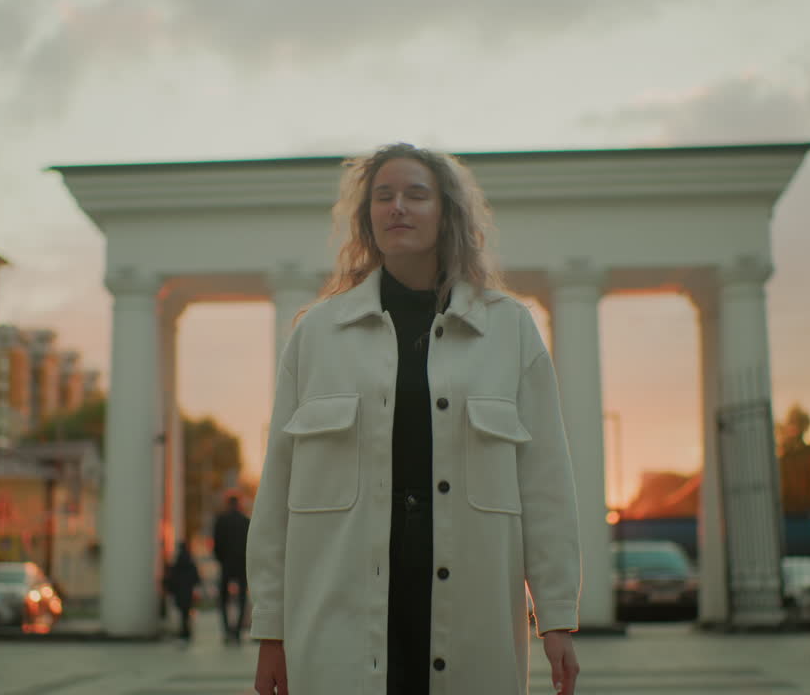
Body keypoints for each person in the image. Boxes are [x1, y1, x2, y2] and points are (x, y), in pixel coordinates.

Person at [247, 143, 582, 695]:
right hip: (340, 611)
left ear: (448, 213)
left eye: (415, 194)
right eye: (384, 196)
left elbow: (545, 483)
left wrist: (557, 615)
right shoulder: (316, 335)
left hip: (473, 608)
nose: (397, 206)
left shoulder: (509, 331)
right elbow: (277, 493)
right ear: (367, 217)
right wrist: (270, 632)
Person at [212, 493, 250, 644]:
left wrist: (221, 560)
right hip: (241, 564)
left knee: (223, 599)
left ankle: (227, 630)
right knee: (242, 599)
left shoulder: (221, 521)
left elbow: (217, 545)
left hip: (226, 564)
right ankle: (238, 631)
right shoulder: (245, 521)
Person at [163, 541, 201, 644]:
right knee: (187, 613)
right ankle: (186, 631)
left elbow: (172, 579)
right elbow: (196, 578)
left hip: (179, 592)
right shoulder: (190, 563)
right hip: (188, 592)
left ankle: (183, 631)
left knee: (181, 614)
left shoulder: (176, 563)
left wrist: (170, 589)